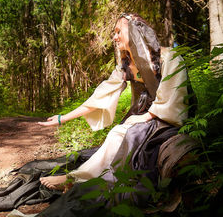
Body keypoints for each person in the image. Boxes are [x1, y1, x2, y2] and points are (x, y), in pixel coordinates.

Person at [38, 13, 188, 191]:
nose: (114, 37)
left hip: (166, 119)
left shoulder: (168, 57)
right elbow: (99, 98)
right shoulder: (125, 66)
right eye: (113, 33)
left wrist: (147, 116)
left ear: (135, 30)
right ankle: (84, 177)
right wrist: (63, 118)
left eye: (118, 31)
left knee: (120, 133)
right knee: (119, 133)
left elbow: (174, 96)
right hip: (144, 117)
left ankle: (75, 179)